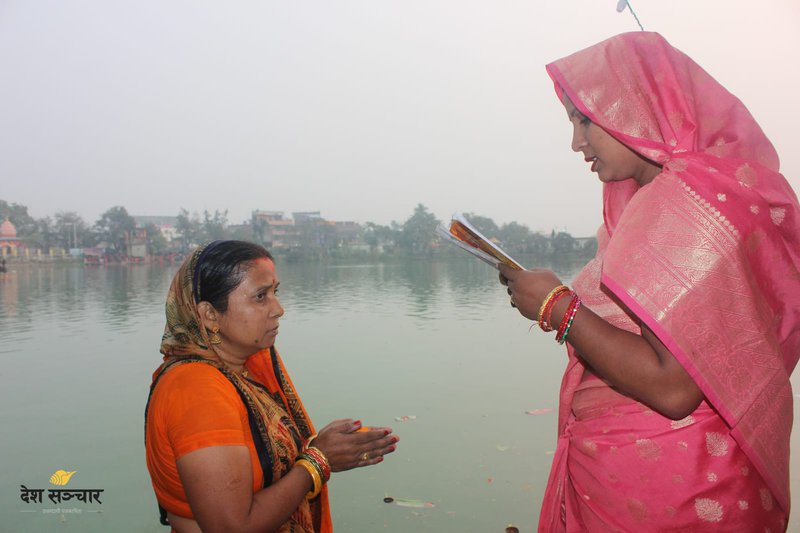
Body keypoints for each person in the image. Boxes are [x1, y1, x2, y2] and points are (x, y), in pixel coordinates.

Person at [501, 32, 799, 531]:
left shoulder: (677, 206)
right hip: (666, 476)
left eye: (583, 120)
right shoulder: (694, 200)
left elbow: (672, 387)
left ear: (633, 107)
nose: (576, 142)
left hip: (668, 494)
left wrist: (555, 305)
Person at [145, 240, 399, 533]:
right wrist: (318, 461)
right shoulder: (197, 389)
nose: (278, 309)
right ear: (209, 315)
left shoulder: (238, 373)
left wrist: (322, 450)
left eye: (274, 292)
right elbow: (231, 527)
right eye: (260, 296)